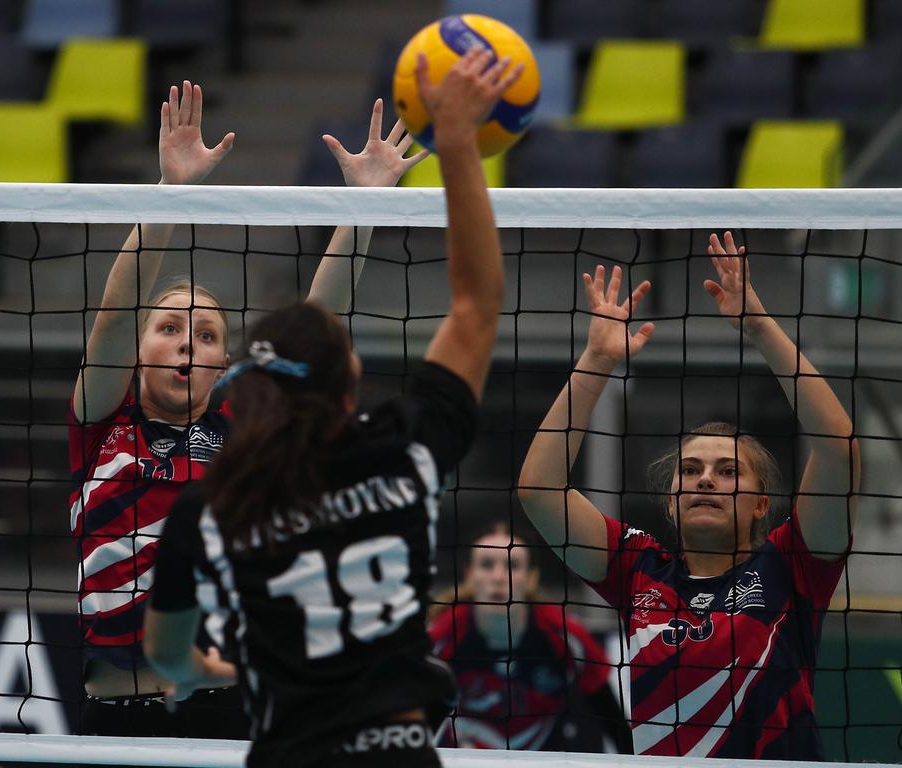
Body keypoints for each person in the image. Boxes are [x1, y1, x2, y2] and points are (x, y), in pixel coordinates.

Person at [144, 47, 522, 768]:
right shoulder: (402, 453)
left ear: (244, 390)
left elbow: (169, 655)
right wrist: (459, 143)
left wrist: (215, 672)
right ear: (348, 386)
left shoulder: (212, 508)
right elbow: (476, 305)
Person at [69, 80, 429, 736]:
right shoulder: (102, 425)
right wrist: (171, 190)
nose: (187, 345)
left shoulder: (245, 437)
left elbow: (317, 330)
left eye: (206, 336)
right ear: (140, 348)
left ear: (223, 362)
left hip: (230, 716)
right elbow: (115, 318)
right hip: (117, 718)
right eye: (171, 329)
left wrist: (367, 207)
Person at [518, 232, 860, 759]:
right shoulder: (638, 569)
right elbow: (539, 491)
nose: (705, 480)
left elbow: (838, 447)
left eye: (727, 472)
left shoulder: (793, 563)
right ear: (672, 500)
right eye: (691, 470)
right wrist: (596, 360)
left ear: (761, 503)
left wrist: (760, 328)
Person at [428, 520, 632, 753]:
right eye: (486, 565)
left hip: (542, 756)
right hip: (466, 755)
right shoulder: (443, 634)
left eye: (512, 566)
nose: (498, 577)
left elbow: (611, 717)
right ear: (469, 576)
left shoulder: (563, 633)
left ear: (532, 577)